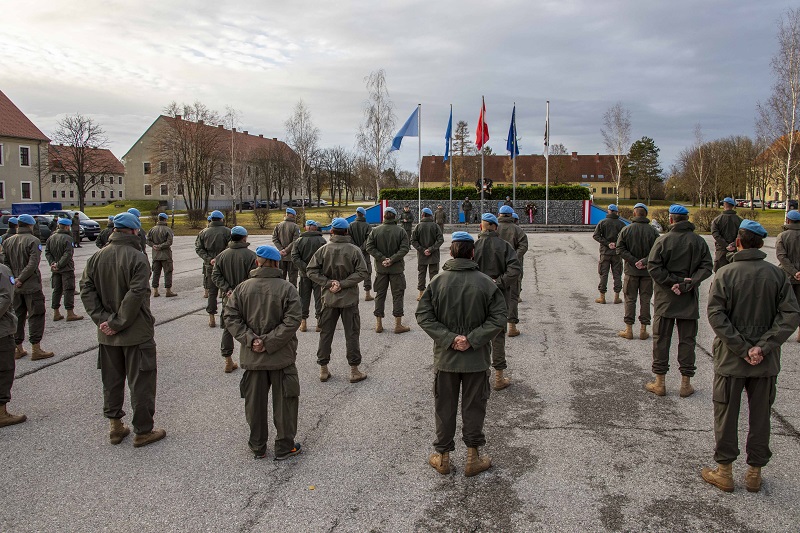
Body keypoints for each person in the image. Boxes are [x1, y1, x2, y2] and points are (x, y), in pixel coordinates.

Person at [702, 220, 800, 493]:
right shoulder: (777, 275)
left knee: (725, 413)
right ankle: (754, 473)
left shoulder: (725, 273)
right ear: (761, 244)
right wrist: (763, 347)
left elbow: (716, 315)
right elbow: (790, 315)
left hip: (731, 360)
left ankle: (724, 471)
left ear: (740, 242)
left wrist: (742, 348)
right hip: (765, 362)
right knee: (760, 416)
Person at [416, 231, 506, 477]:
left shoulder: (437, 281)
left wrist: (449, 338)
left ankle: (443, 457)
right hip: (476, 359)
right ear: (472, 253)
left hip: (446, 358)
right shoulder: (487, 282)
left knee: (444, 406)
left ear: (452, 251)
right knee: (475, 406)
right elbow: (499, 316)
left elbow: (423, 315)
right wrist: (473, 339)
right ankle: (473, 457)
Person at [80, 212, 166, 448]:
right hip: (135, 332)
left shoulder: (96, 258)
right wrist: (117, 322)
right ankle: (143, 431)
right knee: (141, 382)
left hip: (107, 334)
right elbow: (136, 294)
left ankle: (115, 427)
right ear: (134, 231)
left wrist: (103, 320)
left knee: (112, 381)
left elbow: (86, 290)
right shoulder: (138, 258)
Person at [225, 245, 302, 460]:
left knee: (254, 404)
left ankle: (257, 446)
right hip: (281, 358)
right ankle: (285, 446)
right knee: (285, 403)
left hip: (253, 358)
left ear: (257, 262)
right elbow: (293, 320)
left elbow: (231, 317)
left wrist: (252, 341)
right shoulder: (288, 289)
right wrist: (268, 342)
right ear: (276, 263)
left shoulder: (241, 289)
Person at [645, 204, 713, 397]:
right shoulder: (698, 242)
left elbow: (653, 267)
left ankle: (660, 383)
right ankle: (685, 384)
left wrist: (672, 282)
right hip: (688, 297)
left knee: (661, 339)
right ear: (687, 219)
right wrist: (688, 283)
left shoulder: (663, 241)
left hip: (666, 298)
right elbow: (707, 266)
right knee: (687, 341)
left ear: (671, 220)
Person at [307, 218, 369, 383]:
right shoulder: (354, 250)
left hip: (328, 298)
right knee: (352, 334)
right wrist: (343, 284)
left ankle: (323, 369)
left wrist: (329, 283)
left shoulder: (323, 250)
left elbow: (311, 271)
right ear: (347, 232)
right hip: (349, 299)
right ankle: (354, 371)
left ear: (332, 232)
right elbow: (363, 272)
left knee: (326, 334)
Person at [474, 213, 521, 390]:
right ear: (495, 227)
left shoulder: (474, 245)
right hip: (499, 295)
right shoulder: (505, 246)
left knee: (477, 334)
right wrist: (499, 282)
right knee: (498, 335)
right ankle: (499, 378)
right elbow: (515, 269)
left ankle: (478, 375)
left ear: (482, 227)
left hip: (477, 296)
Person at [3, 214, 54, 361]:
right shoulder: (33, 240)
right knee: (36, 315)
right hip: (31, 285)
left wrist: (14, 279)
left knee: (18, 316)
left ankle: (18, 348)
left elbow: (5, 264)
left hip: (15, 287)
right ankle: (36, 349)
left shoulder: (8, 241)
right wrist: (21, 278)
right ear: (31, 225)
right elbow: (33, 264)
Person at [212, 226, 256, 374]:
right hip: (247, 299)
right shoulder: (251, 256)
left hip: (228, 298)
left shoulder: (221, 256)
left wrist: (227, 289)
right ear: (244, 238)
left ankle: (228, 360)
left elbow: (216, 276)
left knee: (228, 328)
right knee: (251, 327)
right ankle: (251, 357)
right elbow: (254, 278)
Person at [615, 203, 660, 341]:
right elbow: (658, 251)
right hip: (647, 273)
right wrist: (645, 261)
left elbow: (620, 249)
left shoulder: (626, 230)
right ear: (646, 214)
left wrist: (634, 261)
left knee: (630, 299)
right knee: (645, 300)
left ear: (634, 214)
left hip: (631, 271)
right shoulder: (653, 232)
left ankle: (628, 330)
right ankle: (643, 330)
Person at [365, 207, 411, 334]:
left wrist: (382, 258)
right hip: (396, 269)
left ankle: (378, 324)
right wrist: (392, 259)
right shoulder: (401, 231)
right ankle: (398, 324)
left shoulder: (375, 231)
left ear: (384, 216)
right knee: (398, 296)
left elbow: (369, 247)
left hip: (381, 269)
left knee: (380, 295)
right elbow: (405, 248)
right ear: (395, 217)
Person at [0, 236, 26, 428]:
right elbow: (5, 298)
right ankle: (1, 412)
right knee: (4, 369)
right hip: (2, 330)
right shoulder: (2, 271)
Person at [195, 210, 231, 327]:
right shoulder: (227, 232)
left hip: (210, 265)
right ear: (221, 219)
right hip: (225, 265)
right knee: (227, 290)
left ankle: (211, 318)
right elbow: (230, 247)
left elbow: (199, 249)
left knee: (212, 292)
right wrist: (220, 258)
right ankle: (227, 317)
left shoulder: (203, 232)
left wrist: (209, 259)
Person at [496, 205, 528, 337]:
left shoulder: (494, 228)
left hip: (496, 267)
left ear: (499, 214)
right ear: (511, 216)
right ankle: (512, 327)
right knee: (513, 296)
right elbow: (524, 246)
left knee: (495, 296)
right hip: (513, 267)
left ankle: (497, 325)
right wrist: (513, 256)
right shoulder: (517, 229)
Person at [44, 218, 83, 322]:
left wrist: (52, 263)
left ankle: (56, 312)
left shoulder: (51, 238)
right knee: (68, 289)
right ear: (67, 227)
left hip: (55, 269)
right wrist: (60, 264)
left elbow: (47, 252)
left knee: (57, 290)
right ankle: (70, 313)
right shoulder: (68, 238)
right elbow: (68, 254)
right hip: (66, 268)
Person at [291, 220, 326, 333]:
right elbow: (326, 257)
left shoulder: (299, 241)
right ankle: (319, 323)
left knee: (303, 298)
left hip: (304, 274)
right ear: (315, 228)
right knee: (319, 298)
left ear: (306, 228)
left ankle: (303, 322)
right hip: (318, 275)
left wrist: (306, 268)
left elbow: (295, 257)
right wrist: (315, 269)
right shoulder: (322, 241)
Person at [592, 204, 625, 304]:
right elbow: (624, 238)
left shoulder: (602, 222)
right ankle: (617, 297)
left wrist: (607, 243)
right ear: (616, 212)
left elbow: (596, 235)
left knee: (603, 274)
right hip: (617, 253)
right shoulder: (621, 224)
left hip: (605, 252)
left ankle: (602, 297)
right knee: (617, 274)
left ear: (608, 211)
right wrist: (616, 244)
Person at [775, 209, 800, 342]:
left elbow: (781, 257)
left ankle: (782, 334)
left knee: (785, 305)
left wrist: (793, 272)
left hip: (787, 276)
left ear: (788, 220)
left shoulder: (782, 236)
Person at [411, 208, 444, 302]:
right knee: (433, 274)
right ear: (431, 216)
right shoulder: (435, 226)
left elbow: (413, 240)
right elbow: (440, 240)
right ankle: (434, 294)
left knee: (421, 274)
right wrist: (431, 249)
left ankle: (421, 293)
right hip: (434, 255)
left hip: (422, 255)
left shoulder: (418, 226)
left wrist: (422, 250)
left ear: (422, 215)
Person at [147, 213, 177, 298]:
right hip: (166, 255)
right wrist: (160, 246)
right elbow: (169, 242)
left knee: (156, 273)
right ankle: (168, 290)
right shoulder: (168, 229)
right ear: (165, 219)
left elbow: (148, 240)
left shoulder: (152, 229)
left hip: (155, 255)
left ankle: (155, 290)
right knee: (168, 272)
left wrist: (154, 245)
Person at [710, 197, 743, 272]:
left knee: (719, 272)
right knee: (735, 273)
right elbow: (741, 234)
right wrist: (734, 244)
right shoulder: (740, 220)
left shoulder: (717, 220)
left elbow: (715, 234)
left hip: (721, 250)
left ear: (724, 205)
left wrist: (725, 245)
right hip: (735, 250)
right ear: (732, 206)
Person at [349, 207, 374, 302]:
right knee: (367, 271)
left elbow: (349, 238)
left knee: (352, 272)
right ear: (363, 215)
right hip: (365, 252)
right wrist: (362, 248)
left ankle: (351, 294)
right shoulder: (367, 226)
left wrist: (356, 248)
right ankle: (367, 294)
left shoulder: (350, 225)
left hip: (353, 253)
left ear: (356, 214)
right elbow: (369, 239)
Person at [272, 208, 301, 287]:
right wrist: (287, 250)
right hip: (292, 256)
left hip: (281, 256)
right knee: (292, 278)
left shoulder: (278, 225)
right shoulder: (295, 226)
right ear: (292, 215)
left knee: (281, 278)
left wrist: (281, 250)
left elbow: (274, 238)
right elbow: (296, 241)